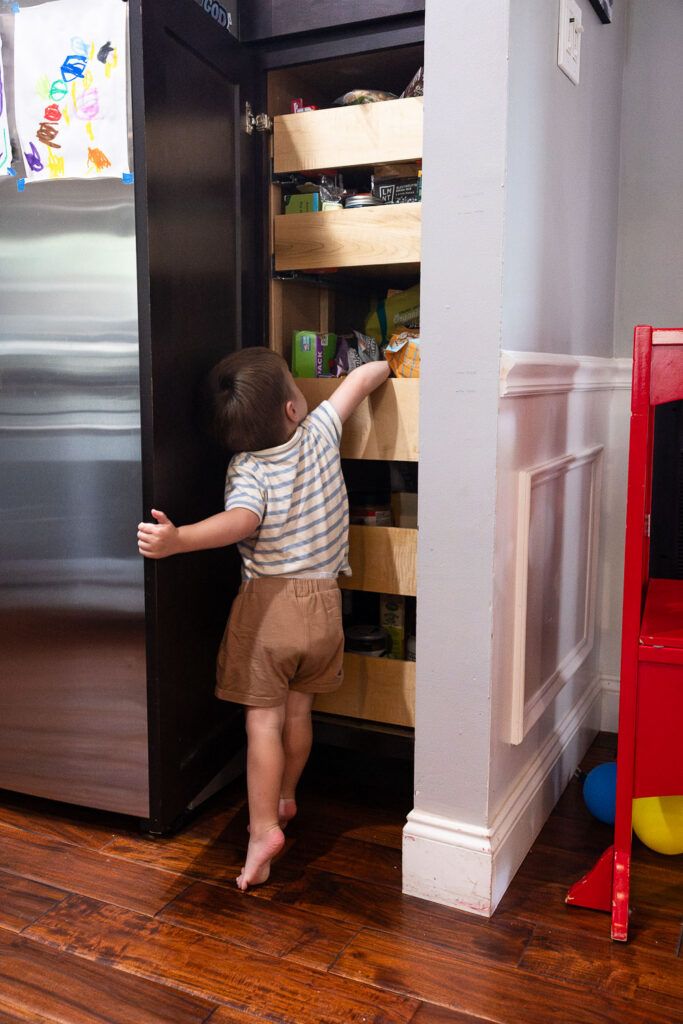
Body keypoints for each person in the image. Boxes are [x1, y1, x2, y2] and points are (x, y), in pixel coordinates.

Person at [137, 346, 390, 890]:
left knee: (263, 725)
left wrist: (178, 540)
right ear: (293, 410)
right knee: (299, 716)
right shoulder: (322, 431)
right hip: (325, 607)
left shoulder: (247, 468)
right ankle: (287, 796)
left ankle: (262, 830)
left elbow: (241, 521)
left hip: (270, 610)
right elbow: (362, 380)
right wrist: (389, 363)